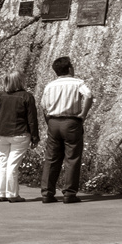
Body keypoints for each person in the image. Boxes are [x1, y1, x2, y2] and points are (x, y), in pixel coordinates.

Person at [39, 56, 93, 204]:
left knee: (51, 158)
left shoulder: (50, 86)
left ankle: (47, 193)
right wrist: (83, 114)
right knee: (72, 158)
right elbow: (88, 95)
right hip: (71, 122)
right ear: (69, 68)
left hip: (53, 122)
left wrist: (49, 122)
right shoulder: (77, 83)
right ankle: (69, 193)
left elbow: (43, 106)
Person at [0, 73, 39, 203]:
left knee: (3, 162)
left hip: (1, 134)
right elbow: (31, 119)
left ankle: (1, 193)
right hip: (20, 133)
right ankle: (12, 194)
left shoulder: (0, 96)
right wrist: (35, 137)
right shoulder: (26, 96)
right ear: (20, 81)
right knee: (12, 165)